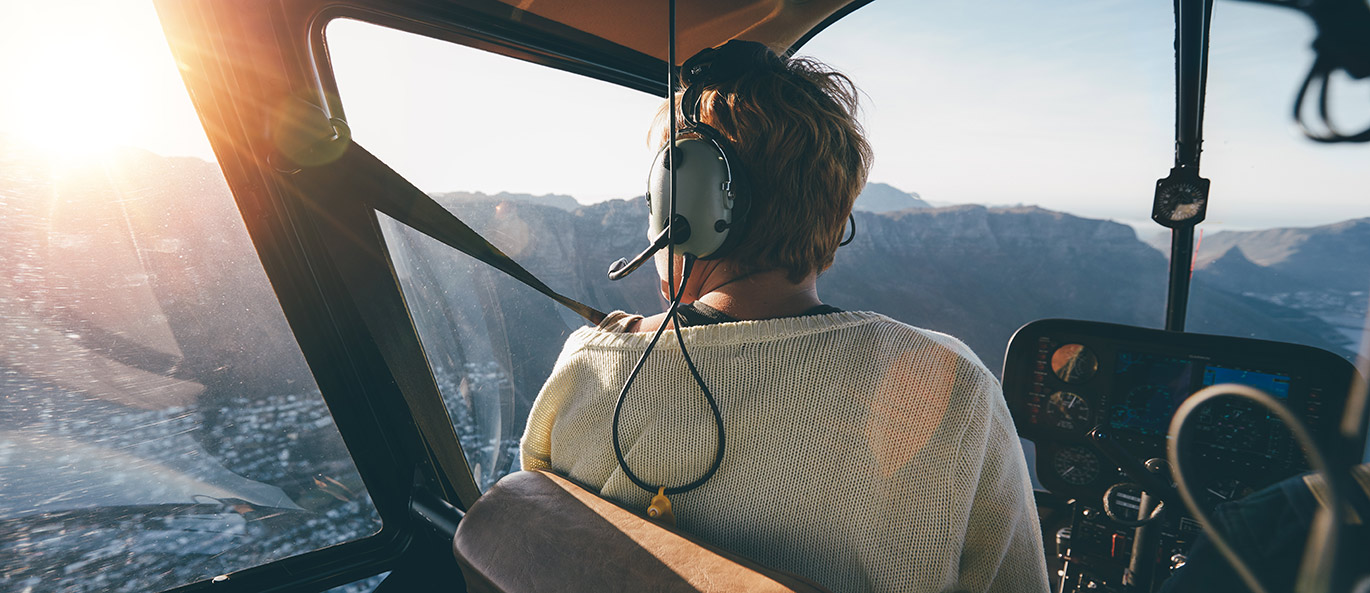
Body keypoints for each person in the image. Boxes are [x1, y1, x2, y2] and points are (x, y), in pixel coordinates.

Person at [520, 40, 1048, 593]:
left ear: (684, 207)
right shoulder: (954, 384)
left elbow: (532, 544)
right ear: (835, 212)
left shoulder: (588, 368)